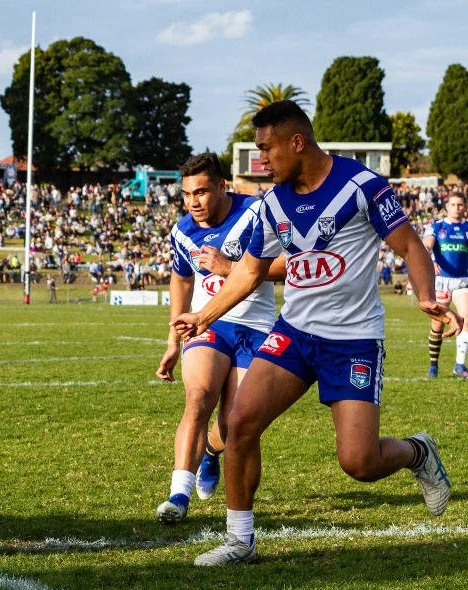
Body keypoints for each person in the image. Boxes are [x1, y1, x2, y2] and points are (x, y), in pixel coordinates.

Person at [172, 101, 461, 566]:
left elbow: (410, 247)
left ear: (296, 142)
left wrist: (425, 294)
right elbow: (249, 271)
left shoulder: (362, 186)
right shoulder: (272, 204)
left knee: (359, 462)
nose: (261, 161)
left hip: (353, 341)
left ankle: (417, 452)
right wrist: (203, 317)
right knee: (239, 423)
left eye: (267, 149)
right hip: (293, 334)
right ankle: (240, 541)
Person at [155, 152, 284, 524]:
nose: (193, 202)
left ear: (222, 186)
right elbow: (181, 278)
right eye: (186, 194)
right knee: (199, 396)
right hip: (207, 323)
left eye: (201, 192)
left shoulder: (256, 213)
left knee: (237, 420)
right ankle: (178, 495)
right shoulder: (183, 231)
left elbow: (289, 263)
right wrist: (172, 340)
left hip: (255, 326)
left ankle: (212, 451)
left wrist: (230, 267)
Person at [422, 193, 468, 378]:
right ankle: (433, 366)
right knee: (437, 324)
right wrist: (429, 259)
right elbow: (426, 245)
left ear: (465, 207)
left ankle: (459, 365)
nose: (457, 208)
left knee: (465, 317)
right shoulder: (436, 227)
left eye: (460, 205)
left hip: (462, 281)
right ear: (447, 207)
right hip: (441, 281)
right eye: (453, 204)